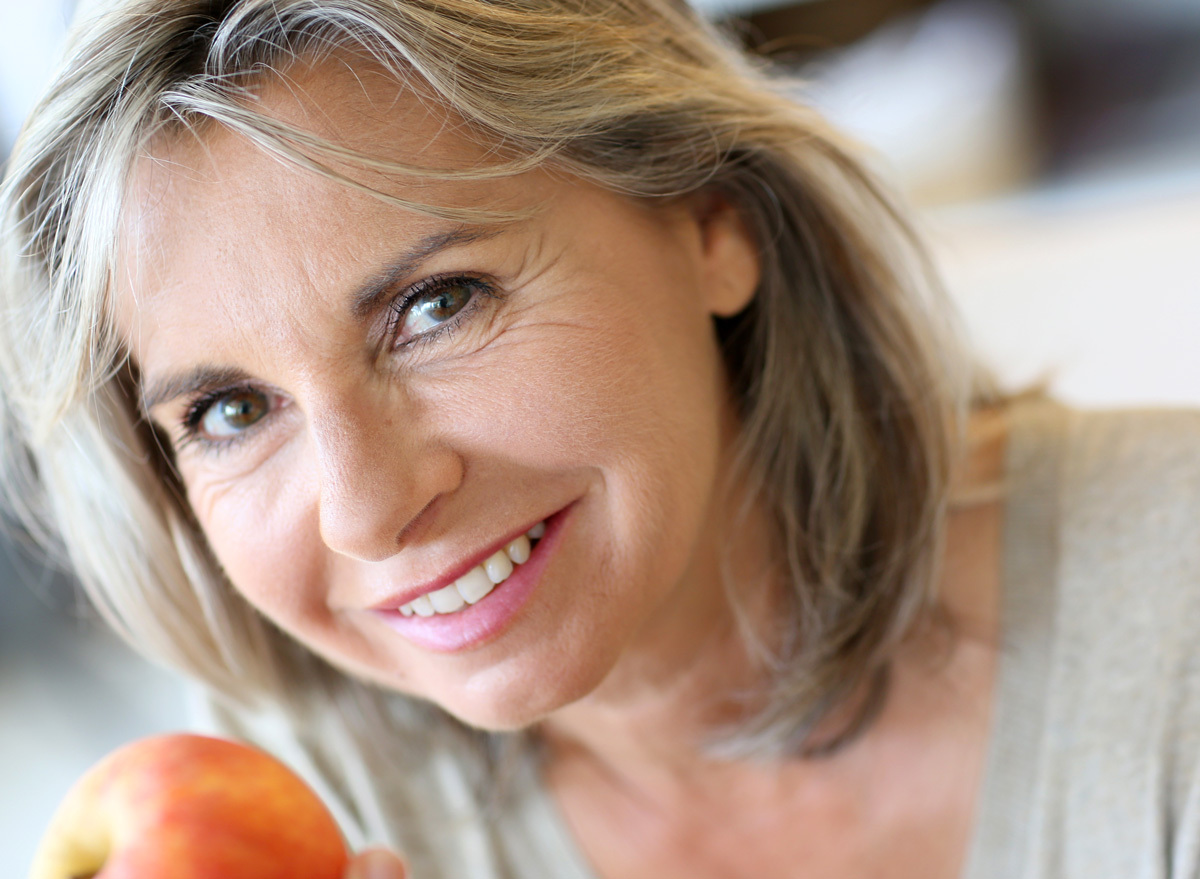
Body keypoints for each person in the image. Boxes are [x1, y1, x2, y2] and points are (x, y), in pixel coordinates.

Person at [1, 0, 1197, 877]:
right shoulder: (305, 804)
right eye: (230, 411)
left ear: (709, 222)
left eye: (437, 305)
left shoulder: (1173, 616)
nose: (365, 511)